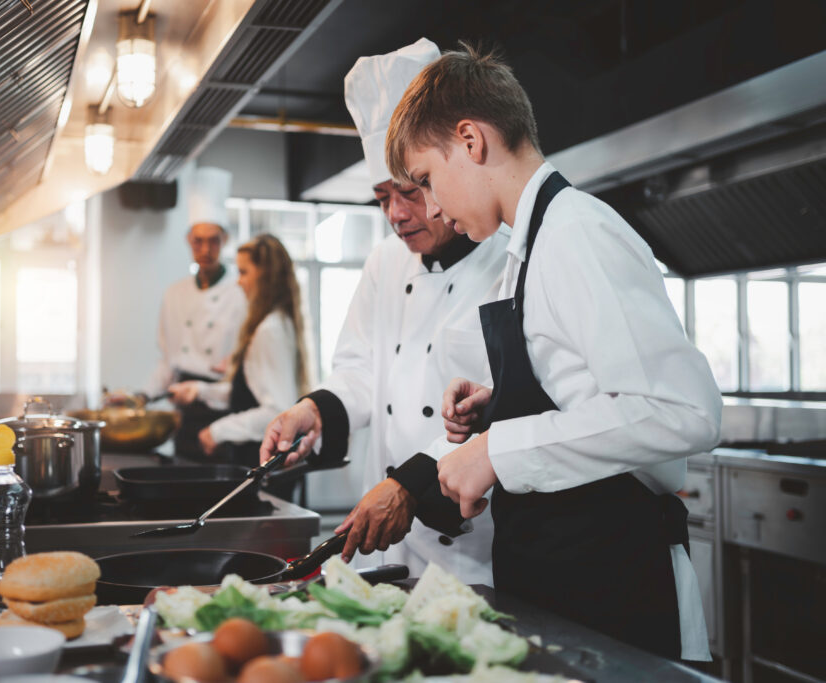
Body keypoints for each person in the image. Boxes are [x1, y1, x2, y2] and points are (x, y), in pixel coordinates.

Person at [374, 44, 722, 661]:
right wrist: (498, 407)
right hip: (562, 584)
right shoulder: (527, 249)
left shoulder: (577, 233)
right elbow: (586, 392)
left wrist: (497, 449)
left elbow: (682, 411)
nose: (430, 209)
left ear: (471, 139)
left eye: (427, 180)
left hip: (615, 591)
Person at [258, 39, 510, 583]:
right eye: (381, 197)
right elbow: (358, 370)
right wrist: (314, 411)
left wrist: (412, 487)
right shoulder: (383, 263)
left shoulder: (509, 258)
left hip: (472, 545)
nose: (396, 214)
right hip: (388, 537)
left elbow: (506, 411)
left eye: (410, 191)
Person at [169, 234, 308, 480]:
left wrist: (218, 431)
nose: (238, 282)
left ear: (265, 277)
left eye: (243, 273)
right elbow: (248, 393)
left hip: (264, 460)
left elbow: (276, 410)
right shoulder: (274, 323)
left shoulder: (269, 331)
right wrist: (199, 390)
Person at [143, 167, 247, 458]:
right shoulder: (174, 294)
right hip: (184, 411)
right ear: (189, 242)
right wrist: (141, 396)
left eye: (213, 240)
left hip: (223, 408)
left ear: (224, 241)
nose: (205, 249)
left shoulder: (240, 292)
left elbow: (245, 364)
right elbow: (169, 361)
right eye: (198, 241)